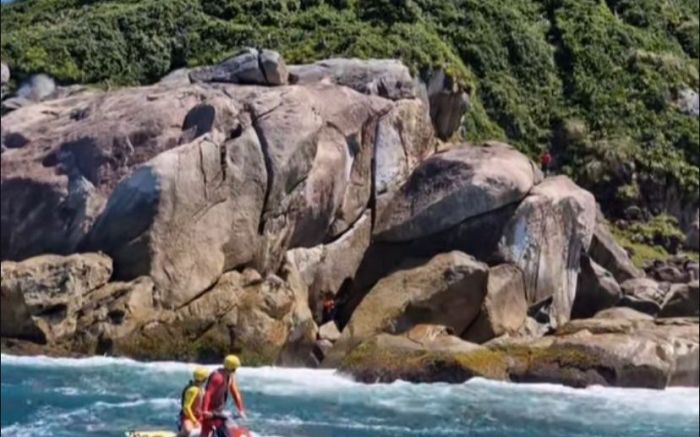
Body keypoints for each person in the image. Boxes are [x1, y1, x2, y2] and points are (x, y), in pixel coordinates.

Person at [200, 355, 246, 437]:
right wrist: (205, 411)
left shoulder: (230, 377)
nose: (236, 370)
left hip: (218, 411)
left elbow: (235, 393)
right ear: (232, 368)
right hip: (210, 412)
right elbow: (208, 393)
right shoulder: (218, 377)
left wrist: (241, 409)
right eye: (235, 368)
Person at [178, 367, 209, 437]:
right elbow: (186, 407)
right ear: (204, 379)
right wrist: (194, 421)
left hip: (199, 416)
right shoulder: (193, 390)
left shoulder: (201, 388)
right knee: (187, 430)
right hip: (188, 417)